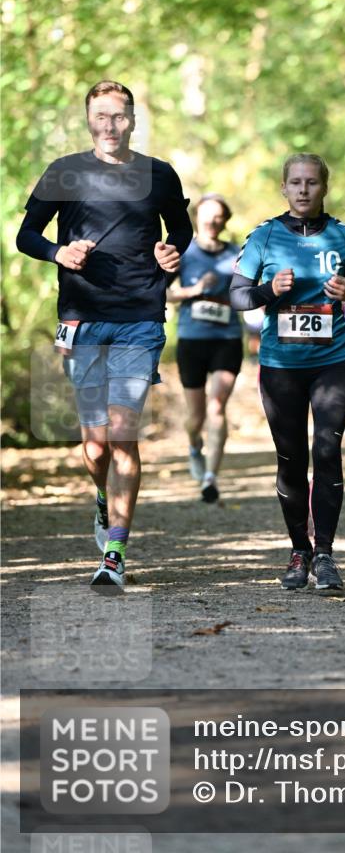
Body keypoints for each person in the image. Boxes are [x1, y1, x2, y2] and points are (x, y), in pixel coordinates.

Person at [16, 80, 192, 591]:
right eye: (101, 116)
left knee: (121, 434)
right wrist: (57, 253)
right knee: (94, 448)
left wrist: (171, 252)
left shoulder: (158, 174)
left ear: (133, 120)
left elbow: (179, 230)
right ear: (89, 120)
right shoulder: (65, 171)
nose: (110, 125)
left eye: (119, 116)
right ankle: (102, 497)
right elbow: (27, 234)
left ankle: (115, 551)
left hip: (141, 315)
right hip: (83, 317)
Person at [230, 152, 345, 591]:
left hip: (334, 363)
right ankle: (299, 552)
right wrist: (269, 290)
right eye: (296, 182)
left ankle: (325, 554)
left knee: (327, 450)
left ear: (325, 187)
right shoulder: (264, 237)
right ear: (284, 188)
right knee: (291, 460)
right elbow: (236, 296)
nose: (304, 189)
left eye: (312, 182)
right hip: (280, 366)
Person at [166, 193, 243, 504]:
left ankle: (211, 476)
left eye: (218, 216)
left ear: (225, 220)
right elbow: (164, 294)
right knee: (196, 416)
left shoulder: (237, 254)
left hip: (227, 338)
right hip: (192, 339)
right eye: (207, 215)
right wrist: (195, 290)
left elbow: (248, 291)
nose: (212, 221)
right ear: (197, 217)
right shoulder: (184, 252)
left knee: (217, 407)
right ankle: (195, 446)